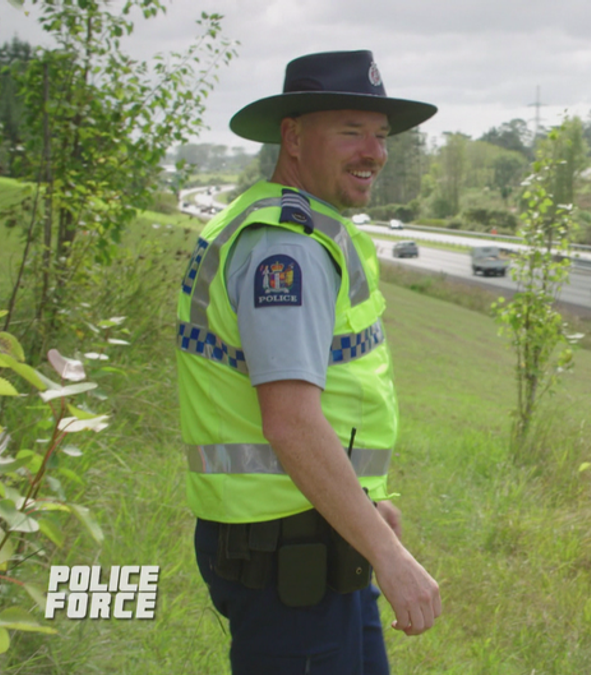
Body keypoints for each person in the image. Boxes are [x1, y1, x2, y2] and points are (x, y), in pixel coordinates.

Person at [175, 50, 442, 674]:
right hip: (288, 561)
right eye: (350, 130)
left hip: (313, 536)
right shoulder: (285, 252)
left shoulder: (290, 226)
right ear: (292, 136)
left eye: (380, 135)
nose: (372, 152)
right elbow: (290, 422)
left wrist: (365, 500)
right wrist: (390, 556)